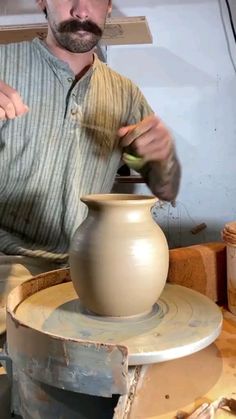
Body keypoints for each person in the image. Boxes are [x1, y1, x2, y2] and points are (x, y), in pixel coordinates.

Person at [0, 0, 181, 330]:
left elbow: (165, 189)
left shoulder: (125, 93)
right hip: (8, 262)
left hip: (94, 265)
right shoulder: (2, 64)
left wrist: (162, 157)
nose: (82, 11)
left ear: (109, 6)